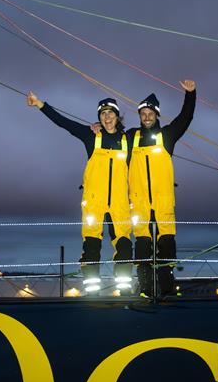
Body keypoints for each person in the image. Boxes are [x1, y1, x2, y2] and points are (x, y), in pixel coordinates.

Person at [27, 92, 133, 295]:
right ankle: (92, 291)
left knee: (124, 246)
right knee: (92, 246)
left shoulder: (129, 139)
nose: (106, 117)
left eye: (110, 113)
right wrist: (40, 104)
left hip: (119, 203)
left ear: (117, 116)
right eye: (103, 114)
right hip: (94, 201)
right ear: (99, 118)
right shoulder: (91, 136)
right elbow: (63, 123)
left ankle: (126, 290)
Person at [128, 80, 196, 297]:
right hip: (139, 202)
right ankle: (145, 288)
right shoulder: (131, 137)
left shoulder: (167, 136)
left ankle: (167, 288)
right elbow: (110, 134)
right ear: (139, 116)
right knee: (142, 244)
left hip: (163, 200)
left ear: (157, 115)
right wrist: (97, 127)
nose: (147, 117)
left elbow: (185, 118)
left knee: (166, 243)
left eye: (150, 113)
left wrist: (191, 94)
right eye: (143, 113)